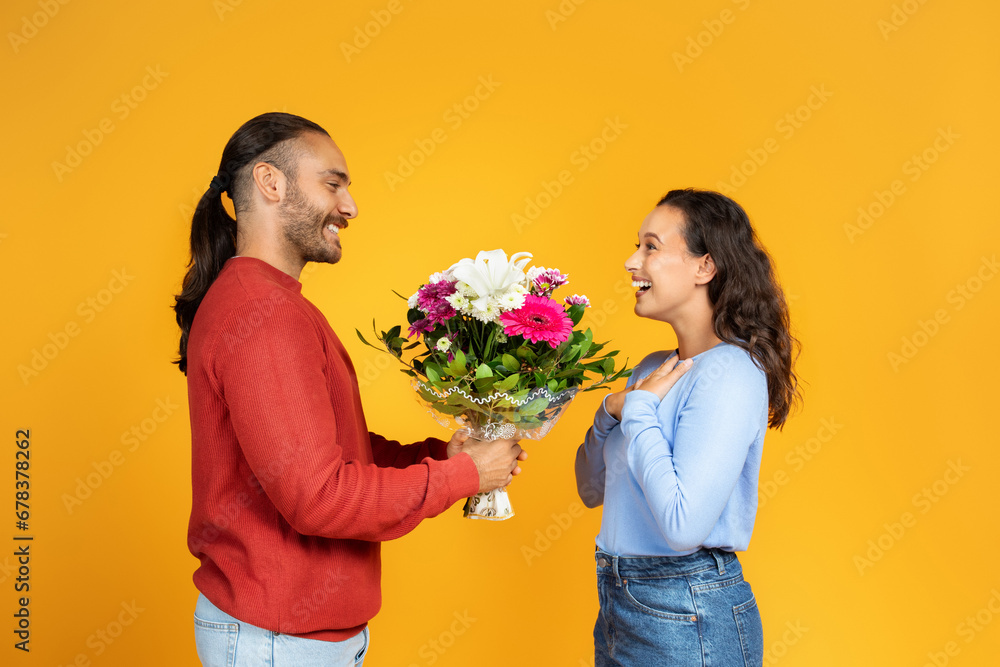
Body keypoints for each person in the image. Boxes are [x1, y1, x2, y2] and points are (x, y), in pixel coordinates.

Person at [173, 112, 525, 666]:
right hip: (278, 642)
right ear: (270, 183)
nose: (349, 206)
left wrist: (438, 455)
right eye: (332, 183)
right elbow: (319, 498)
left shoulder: (266, 300)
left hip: (289, 638)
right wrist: (464, 476)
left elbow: (325, 452)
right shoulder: (262, 311)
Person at [574, 188, 800, 666]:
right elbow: (592, 489)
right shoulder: (651, 370)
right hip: (620, 599)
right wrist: (608, 412)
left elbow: (682, 527)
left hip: (686, 606)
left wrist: (636, 410)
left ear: (705, 267)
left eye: (651, 247)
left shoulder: (732, 373)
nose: (632, 262)